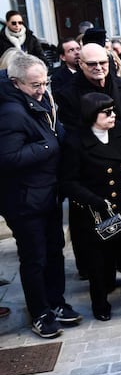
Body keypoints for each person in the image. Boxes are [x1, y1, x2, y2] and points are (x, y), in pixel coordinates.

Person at [0, 53, 83, 338]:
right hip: (24, 200)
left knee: (54, 251)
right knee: (34, 258)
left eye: (45, 82)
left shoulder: (39, 98)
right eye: (35, 85)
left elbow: (51, 128)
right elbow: (8, 157)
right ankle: (41, 312)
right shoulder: (10, 111)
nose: (42, 89)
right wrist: (51, 146)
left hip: (48, 193)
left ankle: (57, 302)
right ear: (15, 83)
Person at [60, 93, 121, 321]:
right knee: (99, 264)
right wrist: (95, 200)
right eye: (107, 112)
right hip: (97, 213)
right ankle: (100, 305)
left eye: (113, 110)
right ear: (92, 116)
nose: (113, 116)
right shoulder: (76, 141)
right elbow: (68, 181)